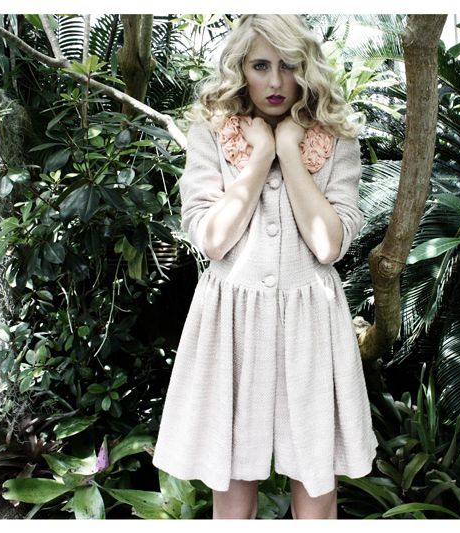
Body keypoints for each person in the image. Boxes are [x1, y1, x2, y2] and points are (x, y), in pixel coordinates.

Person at [152, 15, 378, 520]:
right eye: (260, 66)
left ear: (306, 68)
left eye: (288, 65)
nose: (275, 81)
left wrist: (289, 152)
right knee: (233, 491)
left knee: (315, 486)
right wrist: (259, 158)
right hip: (231, 322)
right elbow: (213, 239)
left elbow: (328, 245)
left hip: (310, 322)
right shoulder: (212, 133)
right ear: (240, 69)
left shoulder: (335, 137)